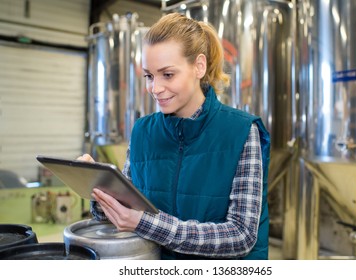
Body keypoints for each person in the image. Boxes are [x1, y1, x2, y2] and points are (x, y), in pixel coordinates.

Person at [79, 12, 270, 260]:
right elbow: (127, 212)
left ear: (199, 66)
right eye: (149, 75)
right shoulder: (142, 132)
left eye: (168, 74)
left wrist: (145, 224)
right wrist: (98, 188)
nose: (155, 88)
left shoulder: (242, 131)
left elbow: (241, 236)